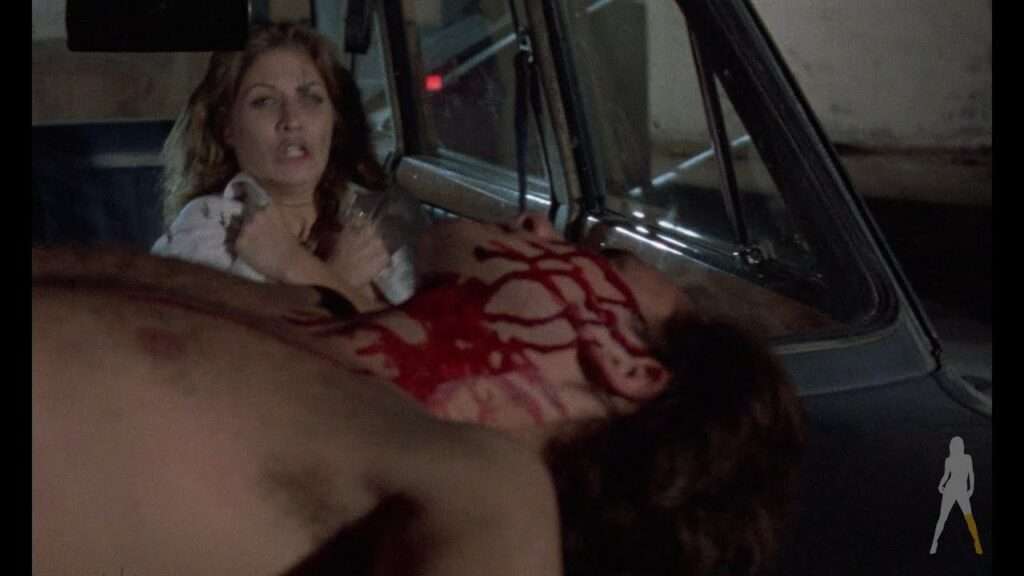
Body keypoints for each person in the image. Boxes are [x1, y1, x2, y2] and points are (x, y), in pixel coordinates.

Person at [33, 212, 803, 576]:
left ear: (626, 364)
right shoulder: (316, 312)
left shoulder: (491, 490)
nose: (538, 222)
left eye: (595, 257)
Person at [151, 22, 393, 312]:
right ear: (228, 127)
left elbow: (418, 337)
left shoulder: (375, 214)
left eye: (310, 98)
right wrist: (321, 275)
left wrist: (308, 272)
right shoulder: (208, 226)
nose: (292, 120)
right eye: (264, 101)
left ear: (334, 119)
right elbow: (216, 339)